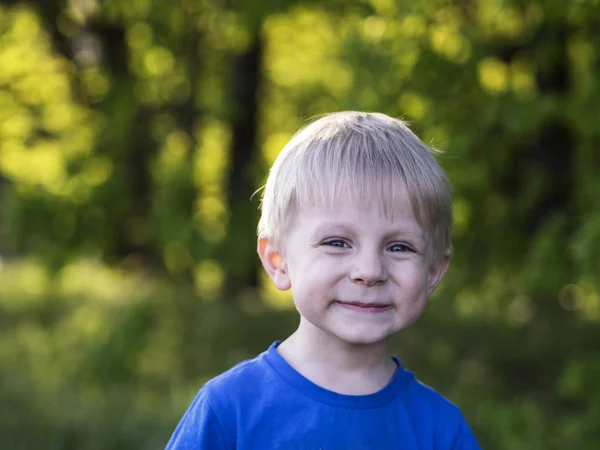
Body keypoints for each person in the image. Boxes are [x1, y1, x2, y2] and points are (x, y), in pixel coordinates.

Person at [166, 111, 480, 449]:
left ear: (433, 271)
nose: (370, 271)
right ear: (278, 260)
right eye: (337, 243)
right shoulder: (230, 410)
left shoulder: (441, 431)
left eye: (399, 246)